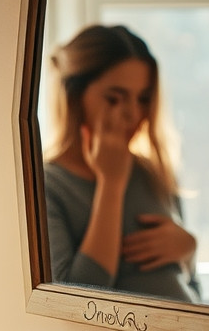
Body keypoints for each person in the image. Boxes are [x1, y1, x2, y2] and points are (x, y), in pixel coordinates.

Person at [42, 24, 199, 301]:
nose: (132, 113)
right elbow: (77, 303)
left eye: (143, 99)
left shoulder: (155, 171)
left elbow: (192, 288)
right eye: (115, 98)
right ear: (74, 97)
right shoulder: (46, 185)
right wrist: (111, 185)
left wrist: (189, 250)